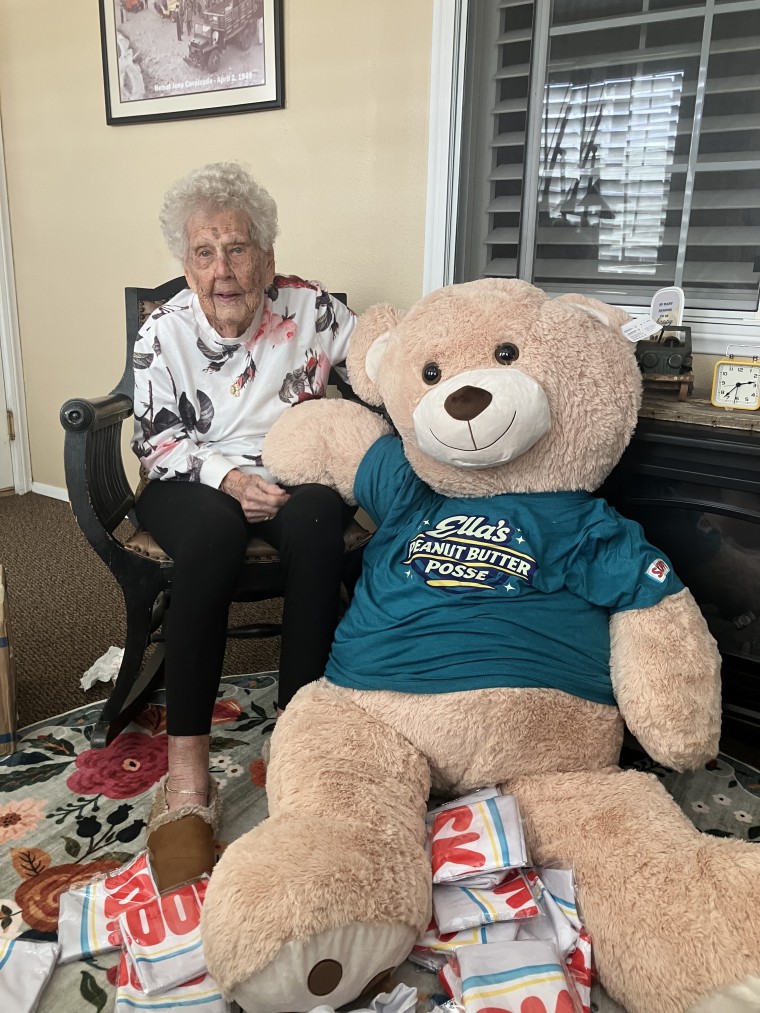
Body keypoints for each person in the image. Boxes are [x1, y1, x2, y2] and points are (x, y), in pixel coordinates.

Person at [131, 162, 357, 892]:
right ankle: (189, 773)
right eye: (204, 252)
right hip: (191, 478)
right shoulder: (163, 328)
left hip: (293, 471)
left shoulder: (313, 309)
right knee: (213, 537)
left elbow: (378, 362)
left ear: (266, 253)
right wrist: (227, 479)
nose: (222, 270)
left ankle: (299, 747)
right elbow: (155, 442)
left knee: (323, 522)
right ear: (185, 262)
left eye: (237, 248)